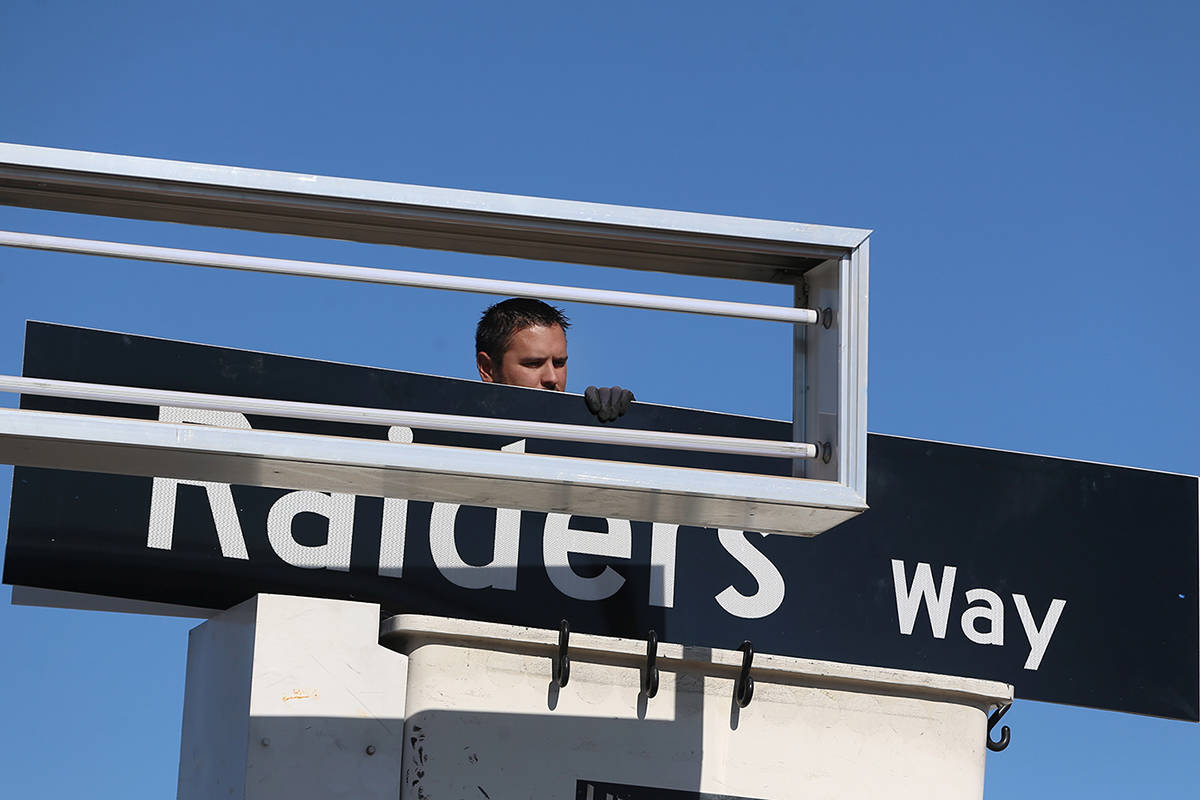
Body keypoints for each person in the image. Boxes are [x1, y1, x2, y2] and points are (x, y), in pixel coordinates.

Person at [475, 297, 634, 422]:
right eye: (533, 364)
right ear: (487, 368)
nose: (552, 378)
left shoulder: (583, 435)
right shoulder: (454, 431)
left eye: (559, 363)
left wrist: (630, 423)